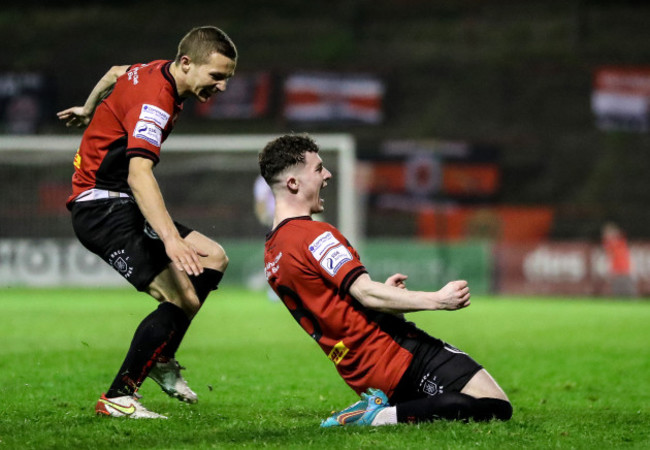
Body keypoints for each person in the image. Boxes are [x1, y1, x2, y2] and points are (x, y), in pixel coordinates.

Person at [259, 134, 512, 427]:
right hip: (395, 352)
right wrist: (437, 300)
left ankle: (380, 413)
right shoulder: (314, 236)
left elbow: (334, 308)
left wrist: (384, 298)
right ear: (293, 183)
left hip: (362, 371)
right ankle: (375, 417)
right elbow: (365, 293)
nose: (327, 175)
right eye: (318, 169)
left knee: (462, 408)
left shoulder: (272, 252)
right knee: (496, 407)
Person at [56, 26, 237, 419]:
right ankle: (119, 397)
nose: (221, 87)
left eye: (227, 78)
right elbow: (140, 175)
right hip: (101, 207)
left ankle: (161, 357)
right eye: (217, 76)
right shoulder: (155, 103)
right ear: (187, 64)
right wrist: (171, 239)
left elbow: (116, 71)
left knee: (214, 258)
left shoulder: (154, 71)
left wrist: (89, 109)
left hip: (119, 203)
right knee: (181, 298)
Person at [601, 222, 637, 297]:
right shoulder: (608, 245)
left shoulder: (621, 242)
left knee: (630, 292)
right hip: (616, 272)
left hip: (625, 271)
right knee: (617, 293)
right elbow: (607, 255)